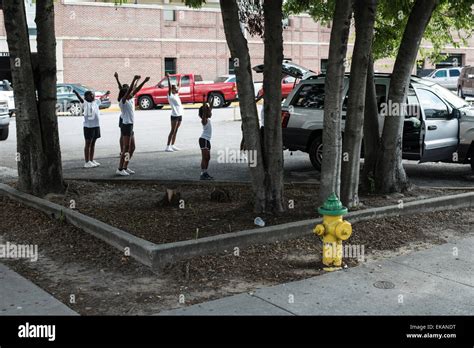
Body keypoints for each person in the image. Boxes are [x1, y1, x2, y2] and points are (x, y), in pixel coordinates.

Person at [116, 75, 150, 176]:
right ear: (125, 94)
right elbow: (130, 90)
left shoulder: (130, 99)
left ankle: (125, 166)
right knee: (125, 148)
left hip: (130, 126)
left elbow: (135, 90)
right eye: (129, 93)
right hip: (126, 126)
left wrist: (144, 81)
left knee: (132, 148)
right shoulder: (123, 102)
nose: (131, 93)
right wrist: (133, 79)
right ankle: (120, 168)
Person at [73, 89, 104, 168]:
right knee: (88, 144)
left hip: (96, 126)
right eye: (91, 95)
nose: (93, 96)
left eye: (93, 94)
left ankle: (91, 160)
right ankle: (87, 162)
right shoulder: (85, 103)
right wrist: (76, 93)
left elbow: (101, 99)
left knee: (93, 143)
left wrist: (106, 94)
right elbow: (80, 99)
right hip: (88, 127)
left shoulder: (95, 102)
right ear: (86, 97)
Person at [165, 73, 184, 152]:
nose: (177, 89)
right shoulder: (170, 95)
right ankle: (167, 146)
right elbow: (169, 87)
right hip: (174, 115)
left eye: (177, 88)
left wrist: (180, 78)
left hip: (180, 114)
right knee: (172, 130)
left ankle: (173, 145)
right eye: (175, 88)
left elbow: (179, 85)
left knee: (176, 130)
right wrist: (168, 78)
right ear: (172, 90)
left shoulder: (176, 94)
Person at [198, 96, 214, 180]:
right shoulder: (204, 120)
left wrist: (212, 99)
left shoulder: (208, 118)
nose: (211, 112)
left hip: (207, 140)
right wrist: (204, 100)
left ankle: (205, 172)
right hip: (203, 140)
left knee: (208, 158)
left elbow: (210, 108)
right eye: (209, 111)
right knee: (205, 157)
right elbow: (205, 111)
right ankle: (202, 174)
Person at [114, 72, 129, 156]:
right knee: (123, 135)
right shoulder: (122, 100)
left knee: (127, 139)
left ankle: (125, 152)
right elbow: (120, 88)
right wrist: (117, 78)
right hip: (124, 119)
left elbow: (134, 89)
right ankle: (122, 151)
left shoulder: (130, 97)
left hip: (129, 120)